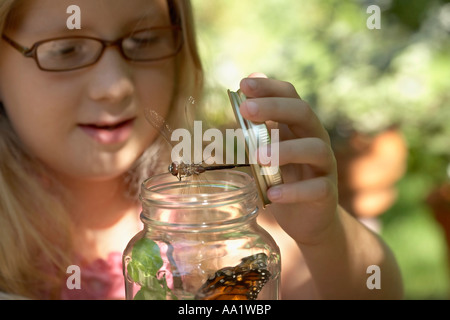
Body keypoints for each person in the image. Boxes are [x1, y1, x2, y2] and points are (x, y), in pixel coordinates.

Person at [0, 0, 403, 300]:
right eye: (66, 50)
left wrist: (325, 234)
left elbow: (377, 287)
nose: (115, 85)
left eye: (143, 41)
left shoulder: (220, 210)